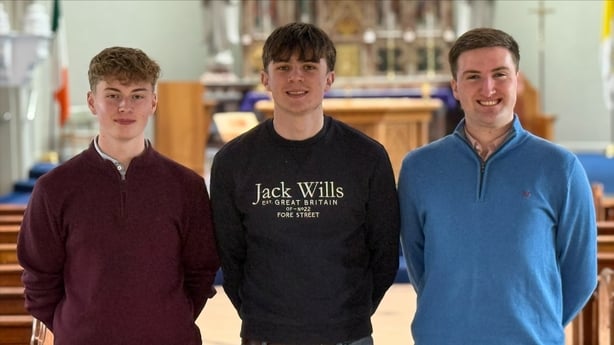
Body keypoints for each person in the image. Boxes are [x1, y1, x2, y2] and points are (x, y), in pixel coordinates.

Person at [398, 27, 597, 344]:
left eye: (500, 74)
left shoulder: (561, 167)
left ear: (517, 81)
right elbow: (419, 264)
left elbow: (581, 273)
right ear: (456, 87)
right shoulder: (419, 168)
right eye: (473, 76)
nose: (487, 87)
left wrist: (534, 322)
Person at [210, 22, 400, 345]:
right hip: (266, 335)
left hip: (347, 335)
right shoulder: (232, 161)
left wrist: (348, 316)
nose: (295, 77)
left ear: (329, 79)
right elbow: (230, 256)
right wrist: (266, 318)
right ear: (265, 79)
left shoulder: (367, 157)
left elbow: (384, 254)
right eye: (283, 67)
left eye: (309, 67)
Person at [17, 46, 220, 344]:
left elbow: (200, 273)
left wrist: (167, 321)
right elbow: (39, 279)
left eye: (137, 95)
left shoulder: (186, 186)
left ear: (153, 102)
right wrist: (77, 326)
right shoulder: (54, 188)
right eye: (112, 95)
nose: (125, 106)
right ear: (91, 102)